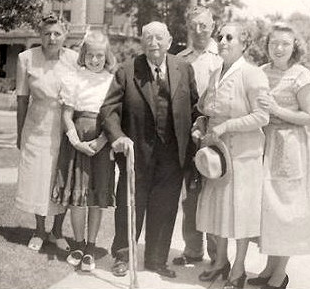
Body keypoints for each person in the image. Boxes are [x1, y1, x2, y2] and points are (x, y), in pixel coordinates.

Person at [99, 21, 199, 278]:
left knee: (165, 209)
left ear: (169, 40)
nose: (153, 43)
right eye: (148, 38)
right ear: (142, 42)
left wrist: (200, 130)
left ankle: (156, 259)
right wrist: (118, 137)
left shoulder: (184, 69)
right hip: (136, 154)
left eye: (158, 37)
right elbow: (108, 111)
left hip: (173, 155)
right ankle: (123, 257)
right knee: (130, 206)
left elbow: (195, 108)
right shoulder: (127, 70)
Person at [194, 22, 270, 289]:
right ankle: (220, 263)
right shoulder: (215, 74)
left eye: (230, 37)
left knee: (240, 212)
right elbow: (206, 108)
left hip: (244, 156)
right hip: (218, 155)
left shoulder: (253, 75)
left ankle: (238, 270)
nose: (223, 41)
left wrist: (227, 126)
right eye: (221, 36)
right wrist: (201, 125)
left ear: (244, 44)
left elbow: (262, 115)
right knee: (219, 209)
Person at [248, 22, 310, 289]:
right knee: (267, 211)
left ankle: (281, 274)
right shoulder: (259, 72)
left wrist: (277, 109)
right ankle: (269, 268)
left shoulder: (301, 75)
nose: (278, 49)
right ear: (267, 46)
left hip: (290, 149)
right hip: (263, 145)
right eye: (273, 43)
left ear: (294, 47)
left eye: (285, 44)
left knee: (286, 211)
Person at [51, 30, 116, 272]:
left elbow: (113, 116)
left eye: (100, 55)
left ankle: (90, 246)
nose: (95, 60)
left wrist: (102, 140)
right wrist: (76, 141)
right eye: (91, 55)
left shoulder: (111, 80)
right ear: (83, 55)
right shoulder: (73, 78)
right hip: (77, 142)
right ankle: (77, 244)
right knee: (78, 200)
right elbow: (66, 115)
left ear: (106, 56)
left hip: (101, 142)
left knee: (95, 200)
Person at [15, 13, 78, 252]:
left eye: (57, 33)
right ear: (40, 34)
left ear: (65, 36)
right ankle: (39, 230)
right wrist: (20, 133)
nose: (51, 38)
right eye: (46, 33)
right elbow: (22, 99)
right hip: (36, 126)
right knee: (38, 179)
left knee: (61, 178)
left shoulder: (74, 59)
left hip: (64, 126)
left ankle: (57, 231)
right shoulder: (26, 58)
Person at [173, 5, 222, 267]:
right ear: (188, 28)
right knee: (190, 198)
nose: (199, 30)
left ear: (213, 25)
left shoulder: (223, 58)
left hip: (218, 137)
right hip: (189, 140)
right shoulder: (180, 60)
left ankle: (217, 256)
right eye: (194, 26)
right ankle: (192, 250)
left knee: (215, 197)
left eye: (204, 25)